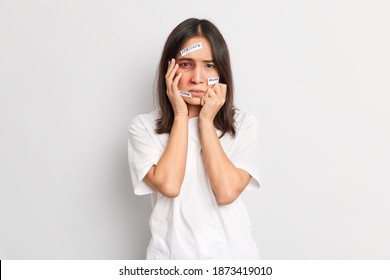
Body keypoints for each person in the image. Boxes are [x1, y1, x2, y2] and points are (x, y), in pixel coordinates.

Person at [128, 18, 261, 260]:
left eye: (209, 65)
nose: (198, 78)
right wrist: (180, 114)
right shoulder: (144, 127)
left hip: (234, 261)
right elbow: (169, 186)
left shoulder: (243, 125)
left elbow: (227, 192)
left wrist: (206, 122)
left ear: (221, 71)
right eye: (186, 64)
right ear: (170, 69)